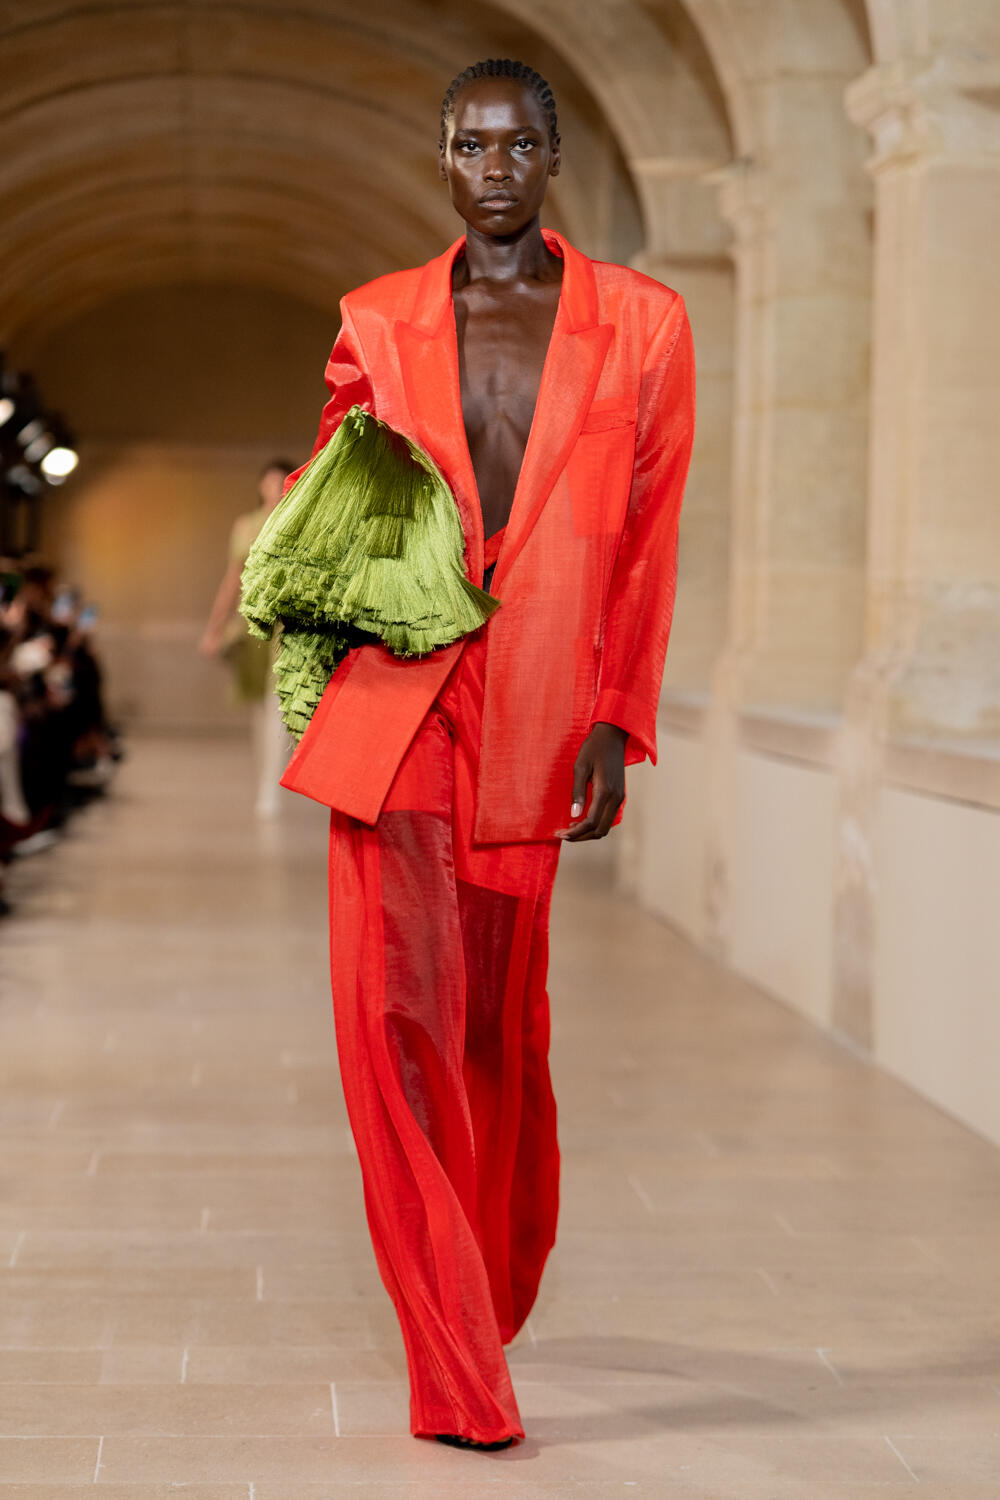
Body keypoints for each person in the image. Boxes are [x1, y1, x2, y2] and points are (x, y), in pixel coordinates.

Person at [270, 58, 695, 1450]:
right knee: (389, 1019)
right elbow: (334, 501)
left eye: (516, 146)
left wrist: (617, 717)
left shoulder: (644, 323)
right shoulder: (377, 318)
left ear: (553, 156)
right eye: (469, 146)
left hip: (537, 716)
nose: (492, 168)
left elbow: (646, 539)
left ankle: (489, 1275)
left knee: (496, 1030)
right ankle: (455, 1370)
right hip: (395, 705)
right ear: (443, 158)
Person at [200, 459, 296, 816]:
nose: (275, 488)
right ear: (260, 486)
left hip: (286, 626)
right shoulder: (246, 526)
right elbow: (233, 579)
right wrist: (214, 627)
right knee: (260, 708)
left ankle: (270, 788)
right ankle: (266, 782)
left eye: (281, 482)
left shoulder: (298, 522)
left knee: (276, 707)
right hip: (252, 625)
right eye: (270, 482)